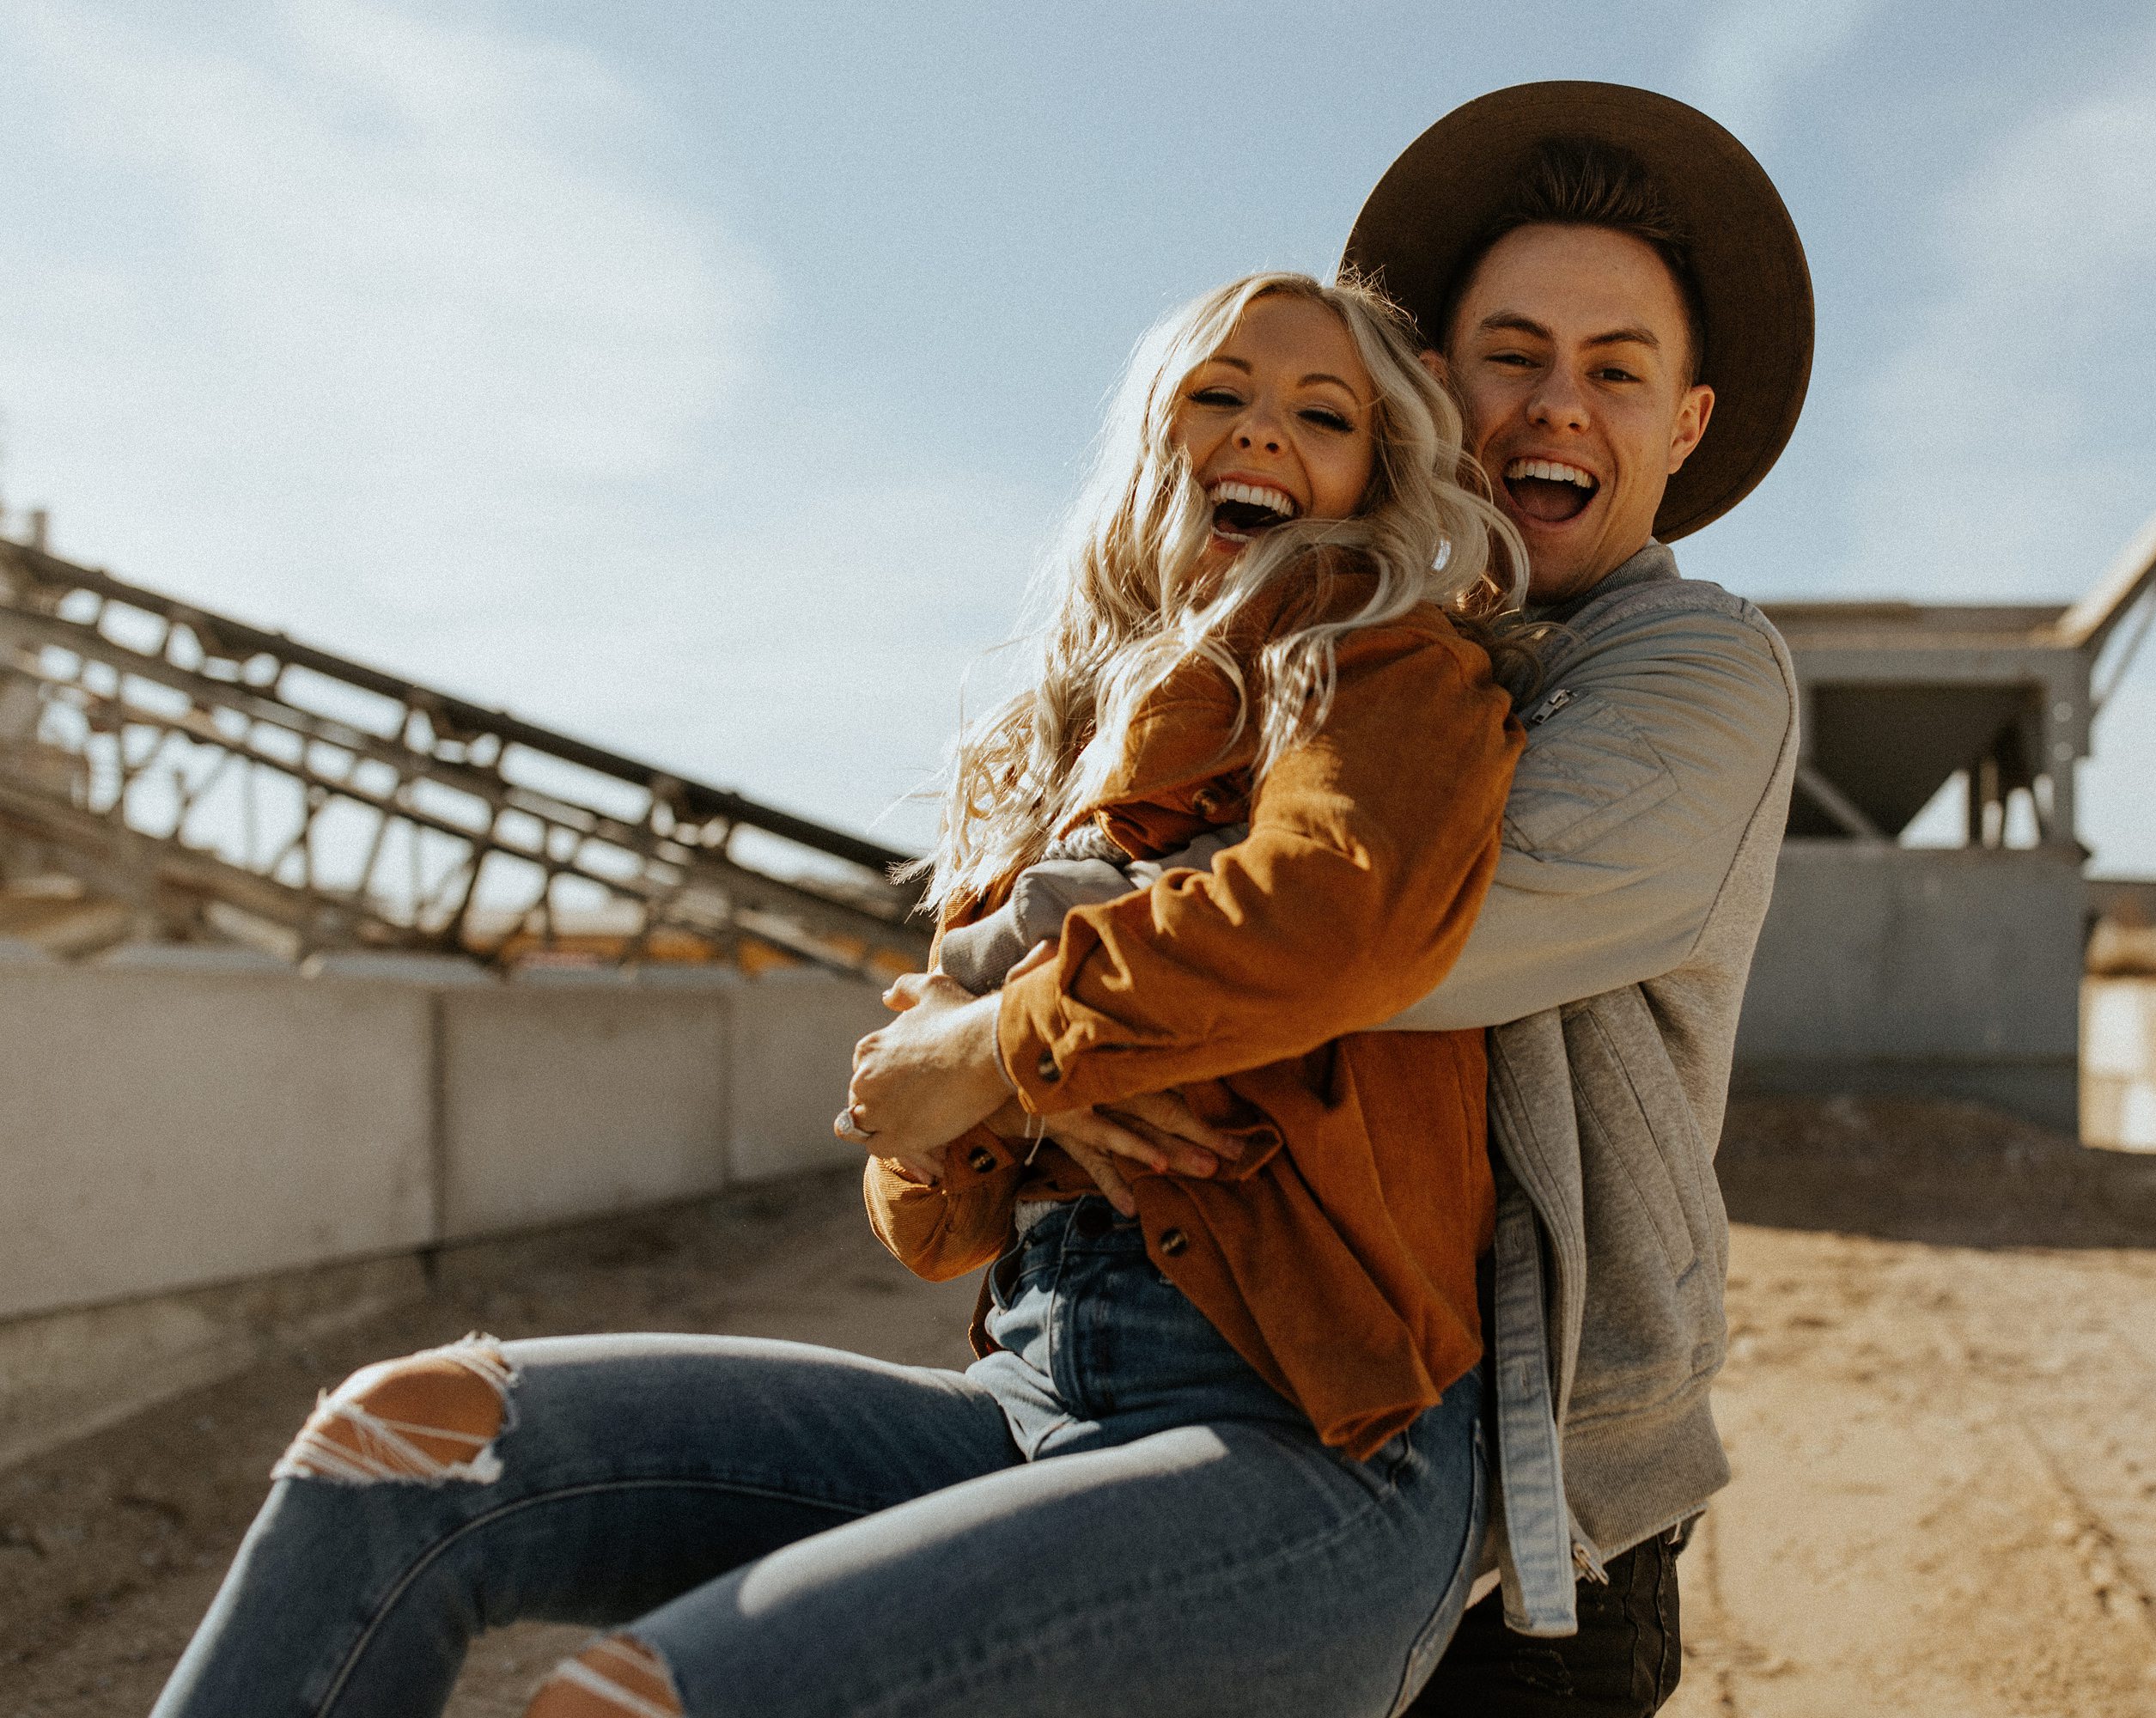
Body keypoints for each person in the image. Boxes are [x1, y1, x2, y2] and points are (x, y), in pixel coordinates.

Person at [149, 271, 1532, 1718]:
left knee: (625, 1704)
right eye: (1219, 395)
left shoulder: (1384, 667)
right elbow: (926, 1212)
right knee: (407, 1441)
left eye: (1324, 415)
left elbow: (1333, 913)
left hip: (1312, 1448)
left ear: (1376, 477)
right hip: (1026, 1407)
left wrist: (1010, 1045)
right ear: (1145, 440)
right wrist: (968, 1102)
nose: (1264, 435)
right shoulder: (1064, 747)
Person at [935, 84, 1816, 1715]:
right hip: (1218, 1400)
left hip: (1525, 1515)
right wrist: (1034, 1041)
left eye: (1617, 372)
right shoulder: (1310, 645)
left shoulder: (1693, 673)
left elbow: (1379, 932)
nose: (1559, 407)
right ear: (1434, 392)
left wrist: (1008, 1027)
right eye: (1513, 355)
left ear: (1683, 425)